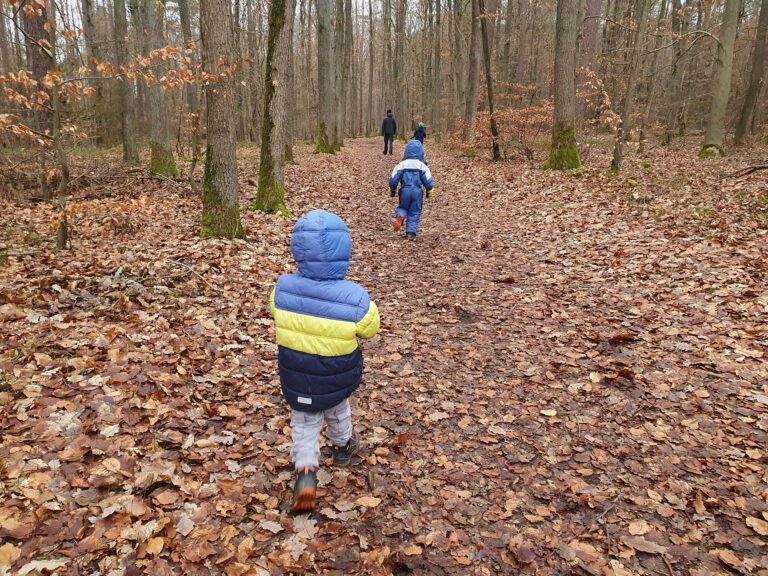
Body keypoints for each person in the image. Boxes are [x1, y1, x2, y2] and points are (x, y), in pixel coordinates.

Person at [269, 210, 381, 514]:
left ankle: (305, 474)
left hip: (298, 374)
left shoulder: (282, 288)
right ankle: (343, 446)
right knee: (337, 407)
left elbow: (274, 309)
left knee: (304, 424)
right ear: (344, 252)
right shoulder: (355, 297)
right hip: (336, 374)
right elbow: (370, 328)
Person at [389, 139, 434, 240]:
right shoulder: (422, 166)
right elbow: (428, 181)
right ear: (421, 152)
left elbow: (393, 180)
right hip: (417, 192)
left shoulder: (401, 165)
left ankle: (400, 216)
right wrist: (429, 191)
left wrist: (392, 190)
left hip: (405, 190)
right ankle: (411, 233)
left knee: (403, 207)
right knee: (414, 212)